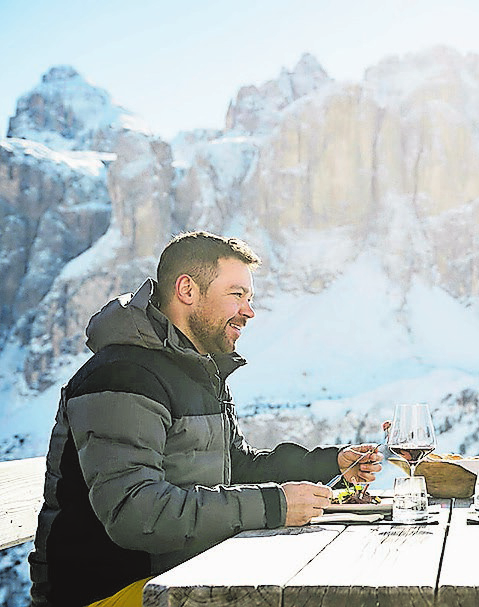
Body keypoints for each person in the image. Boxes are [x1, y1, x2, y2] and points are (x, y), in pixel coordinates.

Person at [29, 231, 383, 607]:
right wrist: (275, 504)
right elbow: (135, 512)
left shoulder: (197, 371)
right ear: (187, 290)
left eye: (250, 298)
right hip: (111, 592)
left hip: (183, 576)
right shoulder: (123, 375)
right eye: (237, 295)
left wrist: (332, 463)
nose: (249, 311)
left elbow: (239, 467)